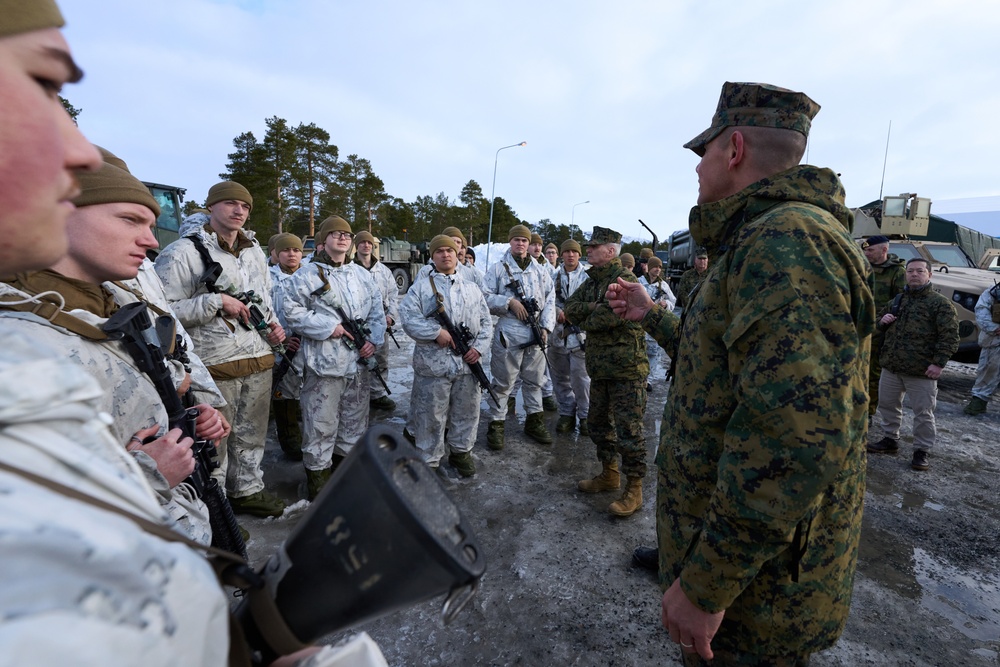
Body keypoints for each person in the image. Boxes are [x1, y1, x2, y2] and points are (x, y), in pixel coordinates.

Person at [607, 82, 875, 664]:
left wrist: (708, 584)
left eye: (702, 153)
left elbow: (795, 439)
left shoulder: (787, 241)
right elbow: (724, 372)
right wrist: (652, 315)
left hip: (756, 593)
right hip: (737, 568)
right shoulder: (758, 238)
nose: (697, 170)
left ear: (732, 149)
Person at [155, 181, 287, 519]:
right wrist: (215, 302)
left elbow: (264, 298)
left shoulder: (255, 252)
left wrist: (272, 324)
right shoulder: (183, 252)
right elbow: (162, 312)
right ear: (210, 208)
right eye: (230, 203)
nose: (239, 211)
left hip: (257, 357)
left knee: (252, 434)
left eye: (245, 206)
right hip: (214, 363)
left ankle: (247, 490)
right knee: (215, 442)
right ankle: (216, 509)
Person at [279, 216, 385, 499]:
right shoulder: (306, 274)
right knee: (320, 424)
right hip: (324, 364)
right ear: (323, 240)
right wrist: (330, 328)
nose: (343, 238)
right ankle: (318, 482)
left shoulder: (361, 275)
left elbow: (376, 310)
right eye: (335, 234)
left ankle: (343, 471)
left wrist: (372, 342)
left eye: (347, 235)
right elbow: (291, 312)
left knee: (354, 422)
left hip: (359, 365)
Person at [565, 226, 648, 517]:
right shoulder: (592, 281)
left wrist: (593, 313)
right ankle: (610, 474)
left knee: (630, 431)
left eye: (594, 247)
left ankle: (634, 488)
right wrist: (595, 306)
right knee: (599, 424)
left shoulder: (624, 279)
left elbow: (607, 317)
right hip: (600, 369)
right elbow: (569, 309)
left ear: (610, 251)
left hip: (626, 369)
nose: (588, 250)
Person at [399, 235, 492, 476]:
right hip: (434, 365)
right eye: (439, 251)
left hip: (467, 364)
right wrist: (435, 332)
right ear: (433, 256)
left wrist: (478, 348)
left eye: (449, 250)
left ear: (457, 254)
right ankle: (428, 459)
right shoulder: (420, 288)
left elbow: (486, 322)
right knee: (431, 415)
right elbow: (408, 319)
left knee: (467, 411)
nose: (445, 254)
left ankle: (461, 453)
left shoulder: (472, 288)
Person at [868, 258, 959, 470]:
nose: (914, 275)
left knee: (923, 413)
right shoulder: (897, 300)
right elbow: (875, 326)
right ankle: (890, 439)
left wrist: (939, 364)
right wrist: (882, 322)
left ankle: (921, 450)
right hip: (891, 367)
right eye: (910, 271)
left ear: (929, 274)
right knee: (888, 406)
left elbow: (950, 337)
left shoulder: (940, 304)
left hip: (922, 371)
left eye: (919, 271)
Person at [483, 224, 556, 449]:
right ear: (510, 242)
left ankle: (534, 421)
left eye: (524, 240)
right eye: (516, 240)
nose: (521, 243)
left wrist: (546, 328)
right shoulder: (497, 269)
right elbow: (483, 297)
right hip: (509, 333)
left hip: (536, 333)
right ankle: (496, 424)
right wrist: (508, 302)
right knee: (504, 382)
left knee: (535, 381)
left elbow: (550, 299)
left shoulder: (541, 270)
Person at [353, 230, 399, 412]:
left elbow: (394, 295)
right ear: (356, 246)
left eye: (369, 243)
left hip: (380, 323)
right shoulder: (350, 269)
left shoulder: (384, 271)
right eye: (362, 242)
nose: (366, 245)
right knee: (358, 360)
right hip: (357, 325)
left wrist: (391, 317)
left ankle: (377, 394)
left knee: (380, 359)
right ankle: (358, 396)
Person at [269, 232, 305, 461]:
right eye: (286, 250)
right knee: (283, 394)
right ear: (276, 253)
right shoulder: (267, 278)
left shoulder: (310, 275)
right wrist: (279, 338)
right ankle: (290, 439)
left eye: (296, 250)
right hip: (278, 345)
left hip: (308, 344)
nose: (291, 254)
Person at [548, 239, 590, 435]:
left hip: (580, 336)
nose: (570, 255)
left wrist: (573, 313)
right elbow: (546, 299)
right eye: (567, 252)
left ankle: (585, 416)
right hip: (557, 335)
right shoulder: (552, 276)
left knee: (581, 379)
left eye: (574, 251)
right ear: (561, 255)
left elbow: (593, 303)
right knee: (559, 378)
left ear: (579, 255)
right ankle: (566, 413)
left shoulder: (588, 278)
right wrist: (556, 310)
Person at [861, 235, 906, 419]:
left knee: (873, 373)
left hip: (880, 330)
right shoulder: (862, 267)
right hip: (859, 325)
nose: (866, 253)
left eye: (870, 250)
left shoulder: (897, 272)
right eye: (865, 250)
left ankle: (868, 413)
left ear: (884, 250)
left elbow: (901, 302)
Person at [964, 283, 1000, 415]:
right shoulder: (993, 292)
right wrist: (994, 328)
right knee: (988, 371)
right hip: (994, 340)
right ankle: (978, 402)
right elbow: (981, 310)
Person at [639, 256, 676, 386]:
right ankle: (639, 379)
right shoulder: (639, 282)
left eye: (660, 267)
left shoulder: (663, 286)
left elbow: (673, 301)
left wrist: (666, 304)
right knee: (638, 352)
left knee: (654, 354)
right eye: (655, 266)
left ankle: (648, 380)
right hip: (639, 324)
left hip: (655, 325)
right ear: (649, 267)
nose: (658, 269)